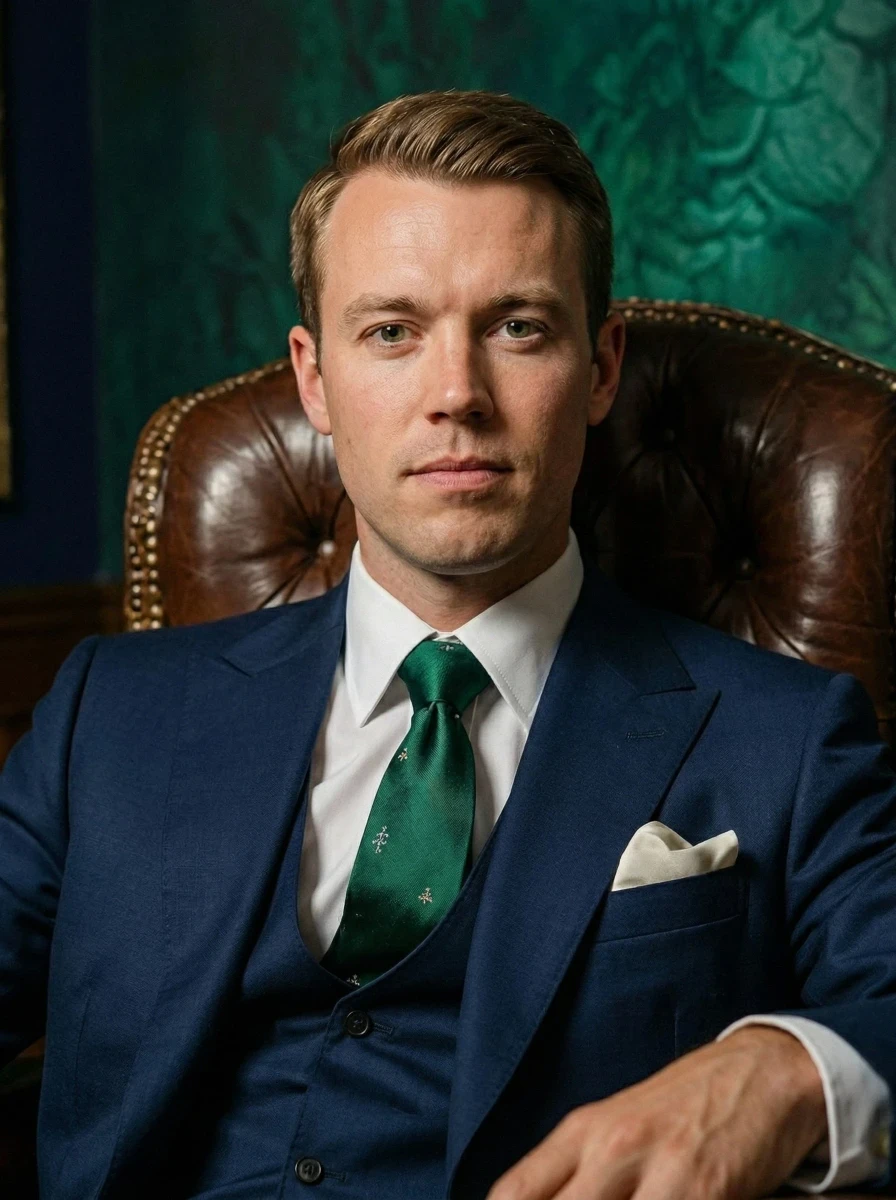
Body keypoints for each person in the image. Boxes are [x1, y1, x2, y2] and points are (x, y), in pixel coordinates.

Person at [2, 90, 895, 1200]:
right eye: (391, 332)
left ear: (602, 365)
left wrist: (784, 1070)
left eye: (516, 326)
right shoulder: (111, 712)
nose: (456, 396)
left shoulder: (787, 737)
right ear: (314, 380)